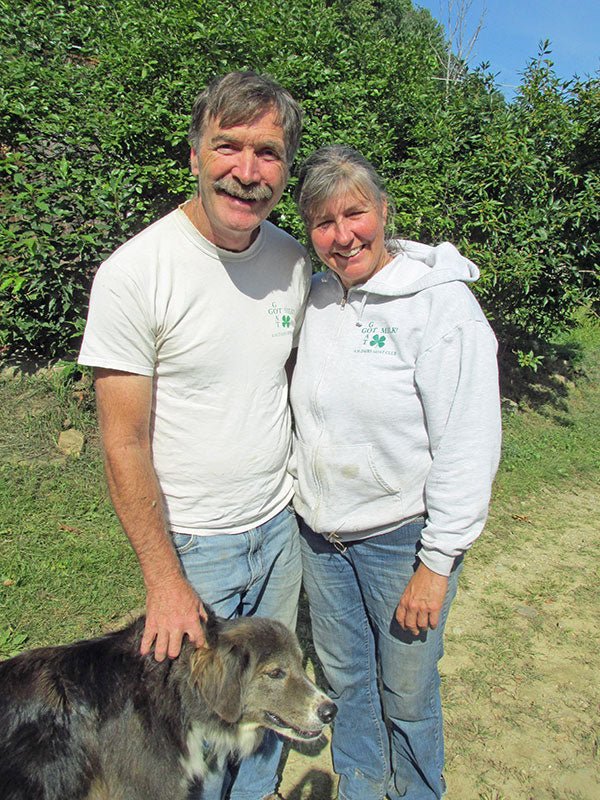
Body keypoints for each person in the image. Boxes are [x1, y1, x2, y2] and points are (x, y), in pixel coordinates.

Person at [78, 71, 311, 800]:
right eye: (229, 147)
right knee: (193, 739)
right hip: (195, 553)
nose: (247, 172)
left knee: (270, 716)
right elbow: (123, 442)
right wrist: (164, 578)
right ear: (194, 156)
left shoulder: (293, 261)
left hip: (278, 532)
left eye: (268, 153)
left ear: (286, 167)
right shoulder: (135, 274)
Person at [289, 145, 502, 800]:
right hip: (322, 542)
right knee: (347, 683)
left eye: (355, 213)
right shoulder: (319, 296)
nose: (342, 234)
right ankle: (361, 787)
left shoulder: (441, 308)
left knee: (407, 693)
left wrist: (436, 563)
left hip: (399, 545)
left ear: (384, 210)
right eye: (324, 222)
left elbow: (468, 441)